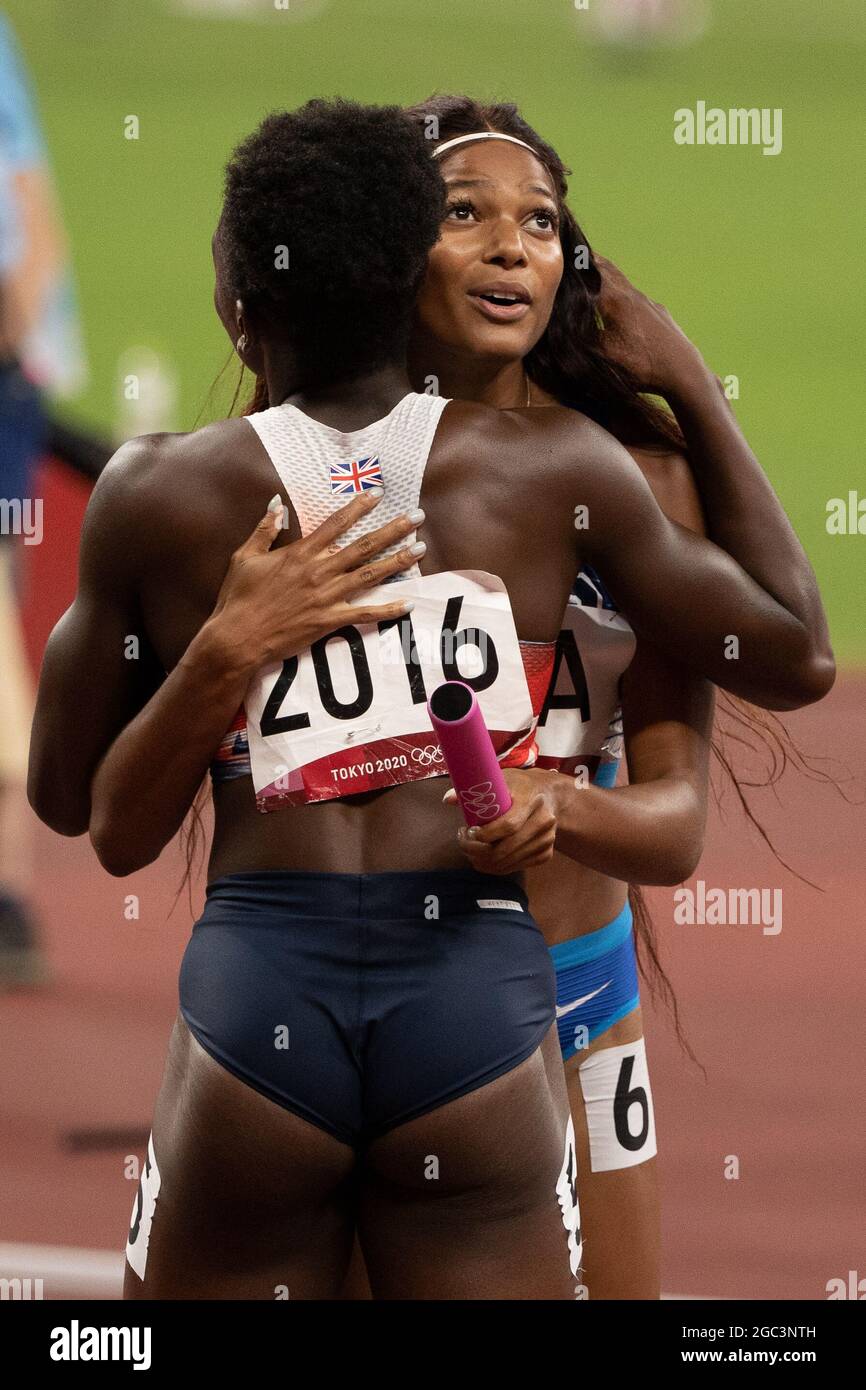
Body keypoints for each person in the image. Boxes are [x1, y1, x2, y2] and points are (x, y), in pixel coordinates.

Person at [28, 99, 833, 1299]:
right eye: (465, 214)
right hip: (452, 1002)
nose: (510, 245)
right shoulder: (311, 479)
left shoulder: (616, 477)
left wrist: (685, 386)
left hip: (563, 989)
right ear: (397, 259)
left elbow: (756, 703)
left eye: (541, 223)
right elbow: (96, 805)